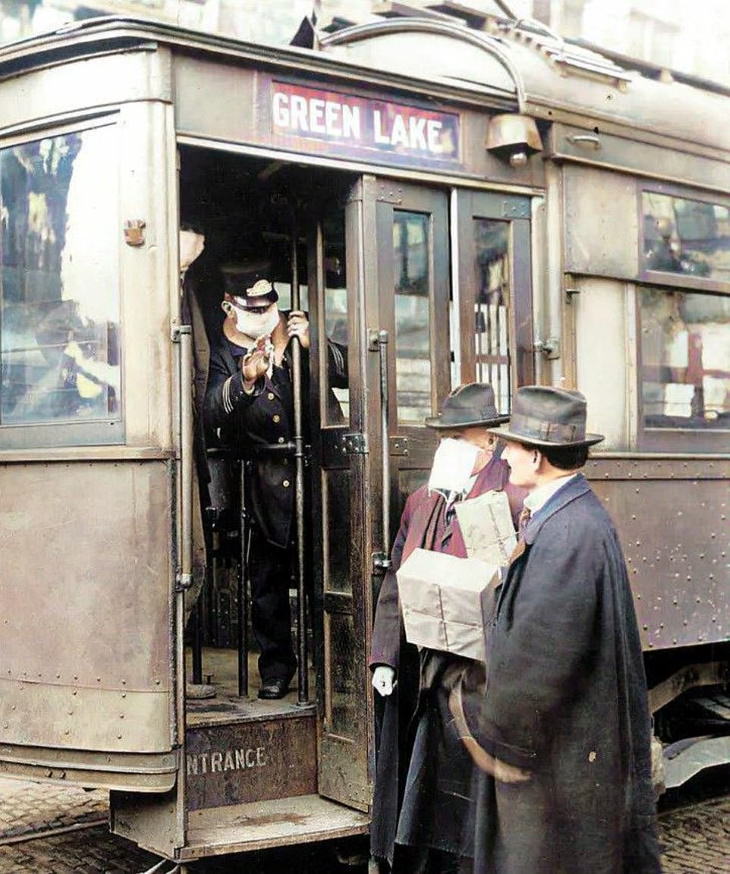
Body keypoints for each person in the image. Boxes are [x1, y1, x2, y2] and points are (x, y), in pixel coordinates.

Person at [470, 385, 662, 874]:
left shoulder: (567, 532)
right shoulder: (570, 517)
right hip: (560, 754)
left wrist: (496, 735)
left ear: (536, 457)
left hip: (552, 763)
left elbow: (541, 658)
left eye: (512, 445)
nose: (504, 454)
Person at [369, 383, 526, 873]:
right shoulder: (422, 500)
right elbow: (397, 576)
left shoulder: (512, 499)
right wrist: (384, 656)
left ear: (489, 444)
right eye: (444, 438)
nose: (448, 448)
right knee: (421, 780)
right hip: (423, 671)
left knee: (470, 791)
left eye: (461, 438)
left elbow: (516, 586)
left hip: (477, 675)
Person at [204, 263, 347, 699]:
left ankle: (332, 664)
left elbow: (347, 373)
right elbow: (211, 411)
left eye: (270, 306)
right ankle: (277, 668)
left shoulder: (294, 331)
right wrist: (245, 378)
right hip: (260, 480)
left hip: (314, 474)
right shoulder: (223, 350)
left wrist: (313, 344)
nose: (265, 314)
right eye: (253, 308)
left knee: (324, 574)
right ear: (230, 307)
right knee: (266, 583)